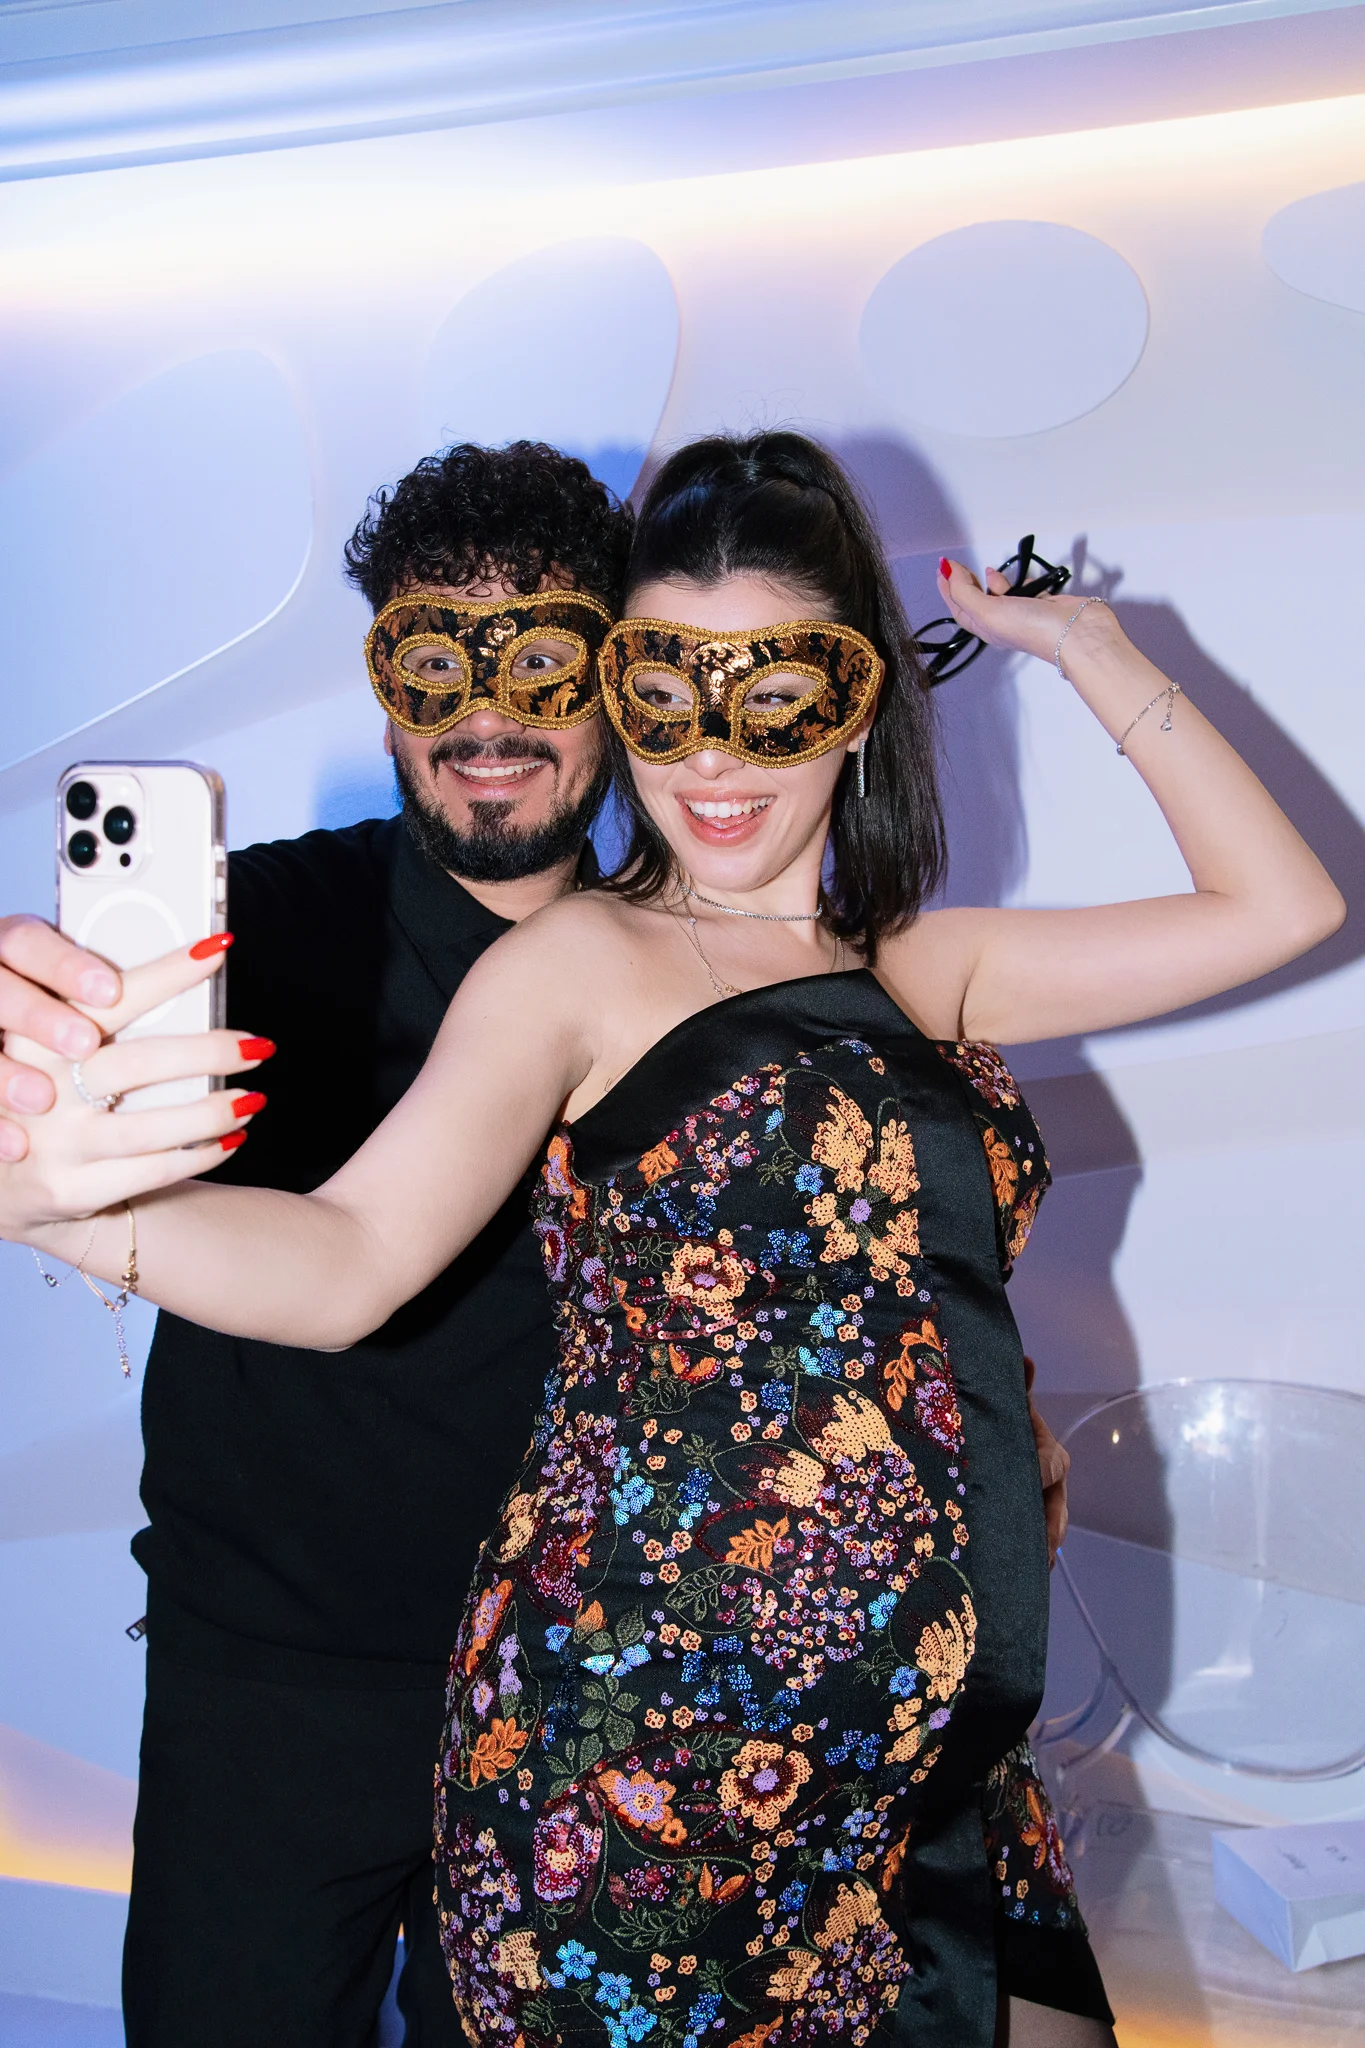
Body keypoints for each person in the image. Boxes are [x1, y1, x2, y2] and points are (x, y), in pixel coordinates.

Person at [9, 426, 1320, 2043]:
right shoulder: (574, 970)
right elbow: (348, 1259)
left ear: (856, 705)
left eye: (773, 696)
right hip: (618, 1752)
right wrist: (65, 1205)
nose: (715, 755)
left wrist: (1095, 648)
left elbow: (1281, 910)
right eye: (670, 694)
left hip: (912, 1759)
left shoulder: (926, 963)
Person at [0, 440, 633, 2047]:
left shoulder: (693, 972)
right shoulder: (256, 931)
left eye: (542, 662)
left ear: (620, 678)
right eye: (433, 663)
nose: (486, 724)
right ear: (385, 690)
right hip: (267, 1687)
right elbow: (74, 1127)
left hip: (588, 1692)